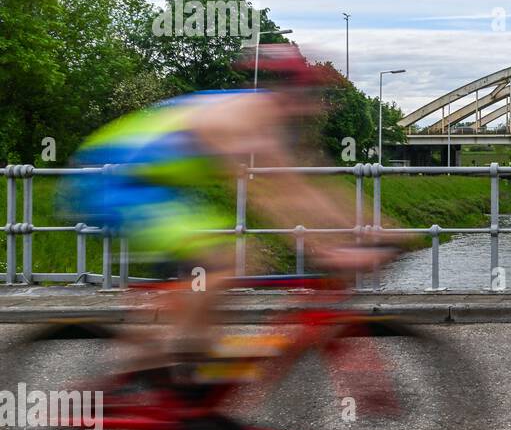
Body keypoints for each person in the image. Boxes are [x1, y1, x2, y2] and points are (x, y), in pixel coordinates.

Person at [64, 43, 385, 369]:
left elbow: (301, 188)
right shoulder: (237, 120)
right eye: (312, 97)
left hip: (154, 186)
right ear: (291, 94)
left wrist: (377, 229)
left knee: (219, 268)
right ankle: (150, 358)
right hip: (115, 182)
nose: (315, 109)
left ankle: (191, 367)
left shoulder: (259, 118)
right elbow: (269, 195)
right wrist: (326, 248)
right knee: (222, 263)